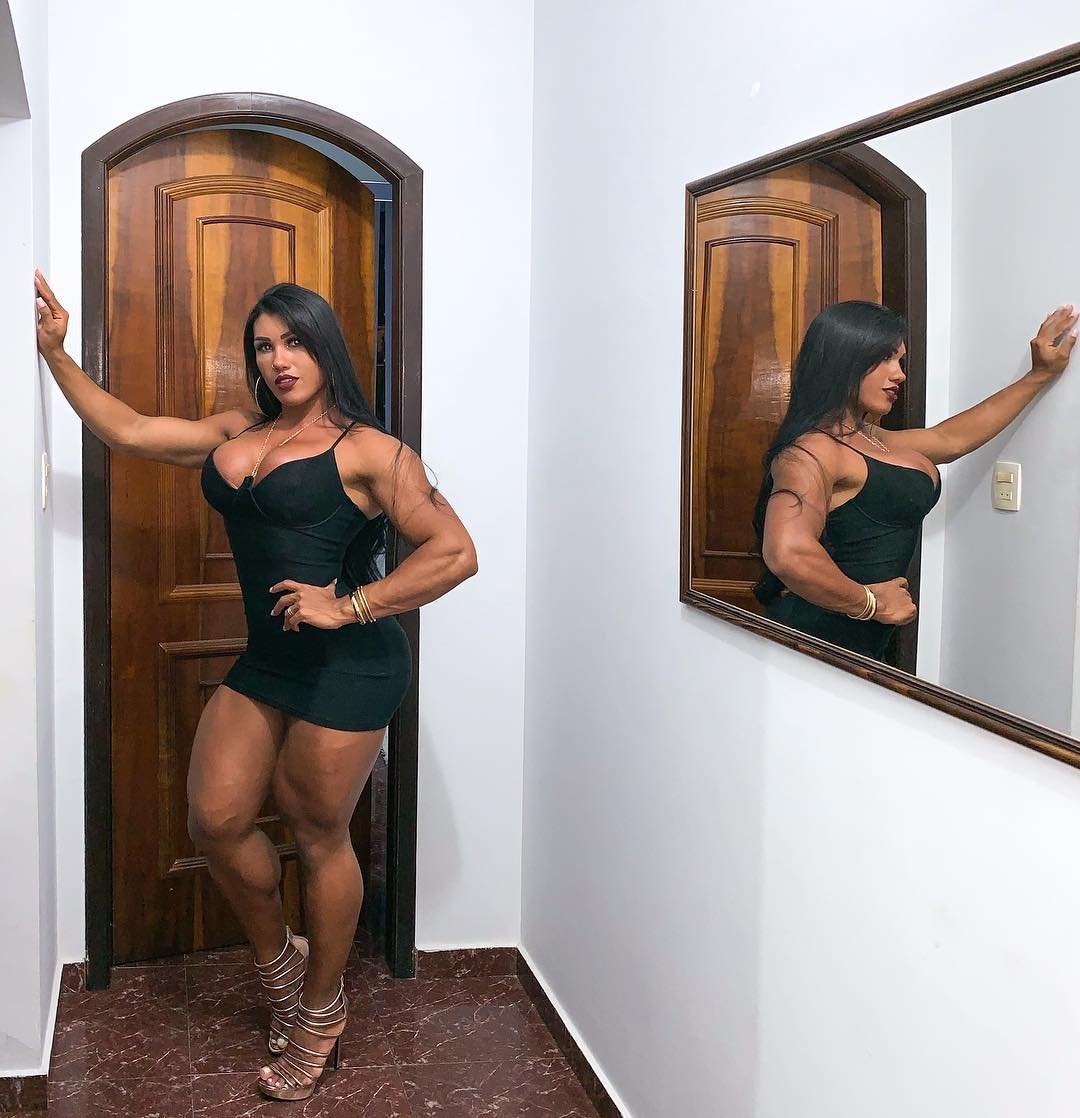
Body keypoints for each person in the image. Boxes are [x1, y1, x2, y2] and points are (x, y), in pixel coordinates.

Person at [35, 274, 478, 1102]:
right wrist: (56, 353)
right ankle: (281, 965)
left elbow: (455, 551)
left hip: (350, 667)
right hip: (269, 660)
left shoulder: (371, 452)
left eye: (295, 341)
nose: (280, 359)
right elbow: (129, 429)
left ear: (325, 347)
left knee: (318, 834)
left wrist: (350, 604)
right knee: (215, 818)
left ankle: (321, 1013)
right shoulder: (238, 429)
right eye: (265, 345)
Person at [752, 299, 1077, 662]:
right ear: (845, 359)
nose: (900, 375)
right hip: (815, 640)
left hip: (860, 642)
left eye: (901, 361)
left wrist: (1038, 375)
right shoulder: (813, 449)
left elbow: (950, 439)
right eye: (886, 359)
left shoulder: (870, 439)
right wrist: (870, 603)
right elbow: (788, 552)